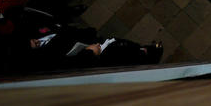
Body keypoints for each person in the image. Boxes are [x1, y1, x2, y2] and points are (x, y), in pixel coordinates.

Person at [16, 21, 162, 71]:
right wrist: (90, 53)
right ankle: (148, 54)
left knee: (121, 43)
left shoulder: (36, 31)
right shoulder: (46, 59)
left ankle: (144, 49)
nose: (36, 41)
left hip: (90, 40)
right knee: (122, 51)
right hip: (96, 54)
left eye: (34, 40)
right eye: (34, 45)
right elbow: (67, 65)